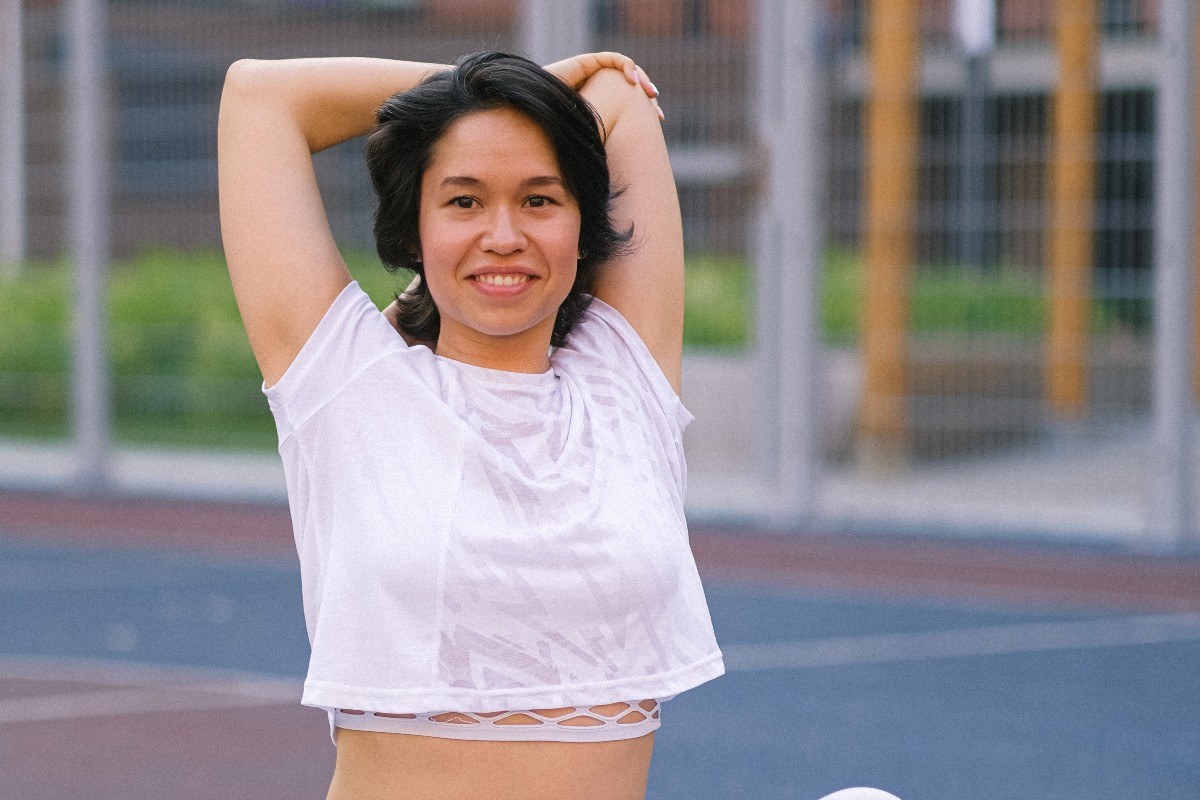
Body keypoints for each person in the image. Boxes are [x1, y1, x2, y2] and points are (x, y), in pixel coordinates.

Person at [218, 50, 724, 799]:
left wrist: (507, 96)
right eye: (463, 201)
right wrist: (471, 89)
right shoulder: (349, 383)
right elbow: (259, 97)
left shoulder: (627, 379)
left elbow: (617, 93)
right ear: (414, 229)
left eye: (539, 200)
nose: (504, 235)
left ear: (583, 225)